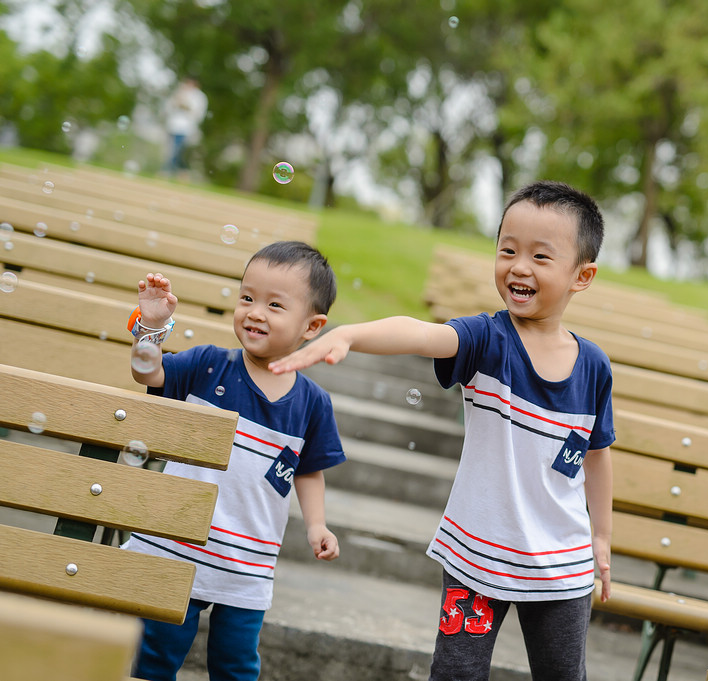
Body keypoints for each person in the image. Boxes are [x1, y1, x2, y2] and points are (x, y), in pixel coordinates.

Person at [270, 181, 615, 681]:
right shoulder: (486, 339)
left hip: (563, 563)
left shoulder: (595, 368)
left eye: (541, 257)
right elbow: (420, 332)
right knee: (456, 674)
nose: (518, 266)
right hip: (477, 552)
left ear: (582, 275)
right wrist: (349, 334)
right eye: (507, 250)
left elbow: (598, 453)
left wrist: (600, 535)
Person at [123, 241, 346, 681]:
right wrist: (151, 327)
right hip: (174, 550)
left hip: (246, 565)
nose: (255, 312)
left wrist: (317, 525)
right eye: (247, 298)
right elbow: (146, 373)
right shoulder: (208, 366)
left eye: (275, 305)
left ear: (312, 326)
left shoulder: (312, 404)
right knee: (154, 661)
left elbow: (309, 469)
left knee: (236, 666)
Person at [163, 77, 208, 176]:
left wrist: (185, 105)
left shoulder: (199, 97)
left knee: (178, 150)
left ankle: (167, 170)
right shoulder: (178, 93)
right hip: (173, 126)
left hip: (186, 129)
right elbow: (168, 108)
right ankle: (183, 171)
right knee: (172, 149)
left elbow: (198, 114)